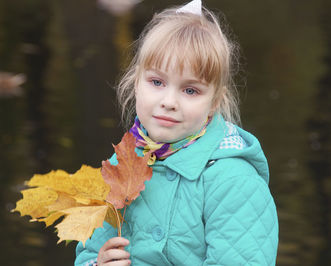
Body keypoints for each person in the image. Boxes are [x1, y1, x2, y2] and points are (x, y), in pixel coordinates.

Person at [75, 0, 279, 265]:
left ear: (215, 101)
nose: (169, 101)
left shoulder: (234, 182)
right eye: (157, 82)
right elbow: (89, 252)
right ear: (136, 82)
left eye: (190, 90)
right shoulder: (121, 164)